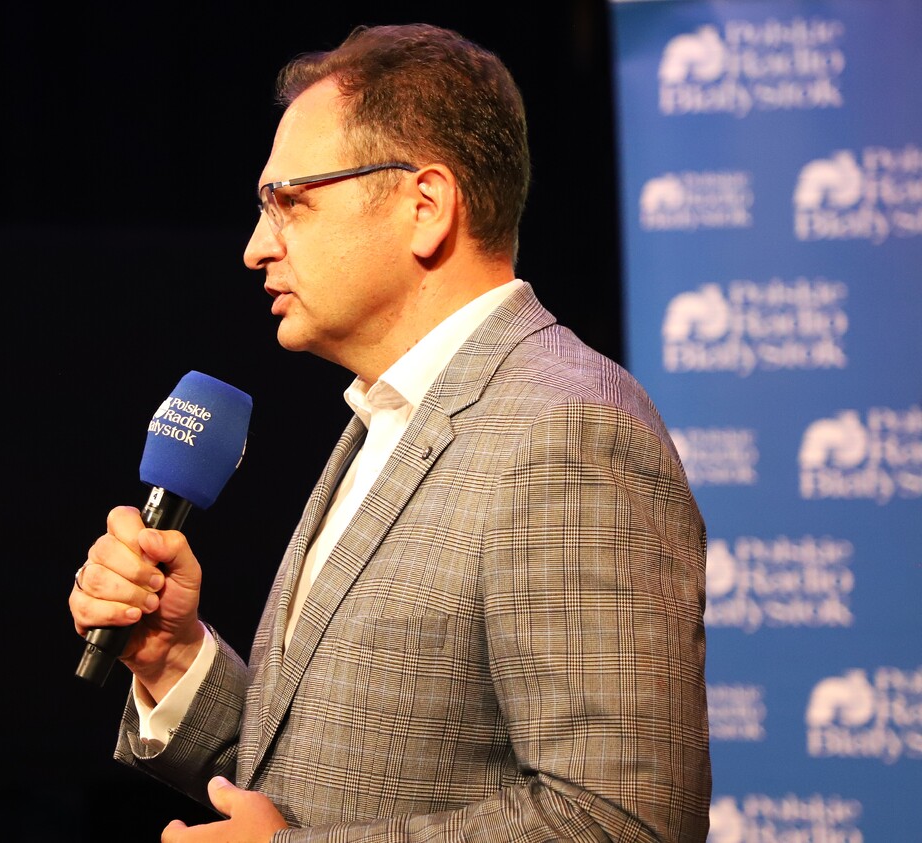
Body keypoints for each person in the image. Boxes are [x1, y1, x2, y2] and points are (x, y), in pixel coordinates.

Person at [69, 22, 711, 843]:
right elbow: (323, 773)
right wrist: (172, 657)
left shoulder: (569, 431)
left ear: (425, 207)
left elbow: (623, 819)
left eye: (290, 202)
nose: (256, 247)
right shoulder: (390, 413)